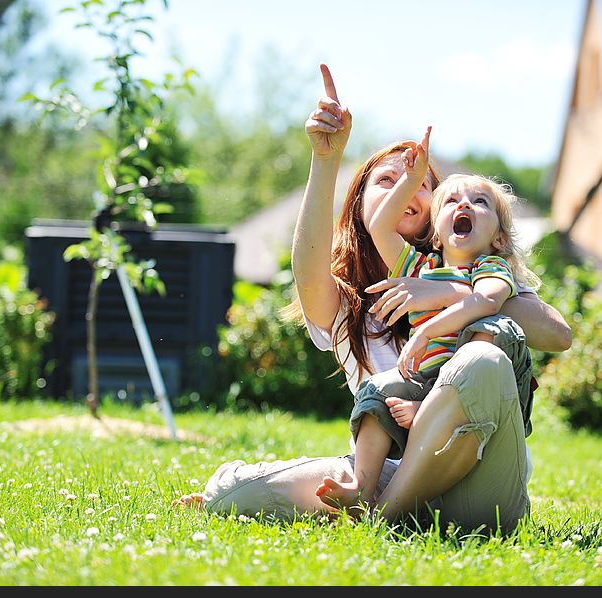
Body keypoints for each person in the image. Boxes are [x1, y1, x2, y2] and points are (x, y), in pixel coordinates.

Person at [176, 64, 572, 535]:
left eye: (424, 183)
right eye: (389, 179)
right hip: (389, 470)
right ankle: (378, 504)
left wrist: (447, 291)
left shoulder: (482, 271)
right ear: (361, 205)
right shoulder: (348, 303)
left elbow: (555, 332)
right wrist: (326, 160)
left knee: (484, 358)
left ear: (437, 218)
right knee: (232, 497)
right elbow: (307, 272)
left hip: (480, 482)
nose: (409, 187)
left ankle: (380, 516)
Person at [315, 124, 541, 511]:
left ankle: (427, 423)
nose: (464, 206)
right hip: (422, 379)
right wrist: (412, 180)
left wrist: (427, 330)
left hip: (463, 384)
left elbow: (486, 302)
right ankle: (362, 486)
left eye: (480, 202)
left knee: (494, 330)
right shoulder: (420, 269)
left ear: (500, 238)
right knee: (375, 393)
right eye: (451, 200)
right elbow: (379, 226)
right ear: (435, 232)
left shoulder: (490, 267)